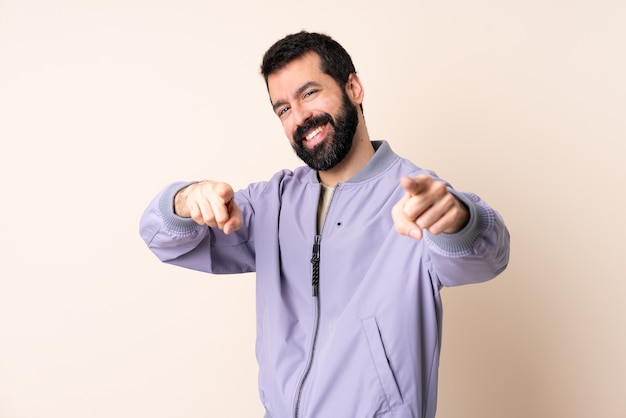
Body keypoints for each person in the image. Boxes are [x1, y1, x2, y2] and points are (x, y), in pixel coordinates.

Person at [140, 31, 510, 418]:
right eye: (283, 108)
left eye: (309, 93)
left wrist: (459, 219)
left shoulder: (416, 198)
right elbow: (167, 240)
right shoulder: (273, 202)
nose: (299, 117)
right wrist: (184, 200)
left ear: (353, 87)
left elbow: (487, 258)